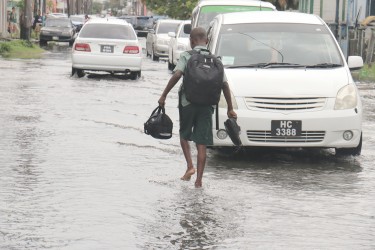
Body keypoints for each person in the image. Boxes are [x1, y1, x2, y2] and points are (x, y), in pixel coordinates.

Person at [158, 27, 237, 188]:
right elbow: (225, 85)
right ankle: (199, 182)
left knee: (184, 135)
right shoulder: (216, 61)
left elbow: (177, 74)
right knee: (202, 143)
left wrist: (164, 95)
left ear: (191, 41)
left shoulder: (187, 56)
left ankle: (189, 167)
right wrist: (230, 108)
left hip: (187, 103)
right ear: (207, 41)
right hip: (207, 105)